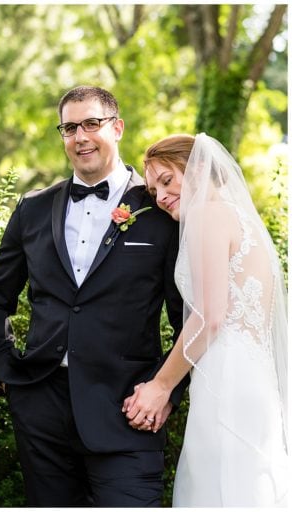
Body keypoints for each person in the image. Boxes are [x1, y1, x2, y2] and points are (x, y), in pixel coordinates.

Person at [0, 85, 187, 506]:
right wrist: (7, 372)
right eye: (69, 128)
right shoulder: (32, 208)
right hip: (41, 408)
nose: (80, 137)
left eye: (92, 124)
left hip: (128, 408)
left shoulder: (160, 207)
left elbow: (191, 317)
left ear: (117, 128)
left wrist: (166, 390)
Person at [122, 133, 289, 506]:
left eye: (167, 181)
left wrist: (160, 386)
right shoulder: (240, 218)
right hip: (254, 382)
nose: (161, 196)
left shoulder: (207, 214)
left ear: (198, 168)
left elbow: (210, 317)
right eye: (153, 191)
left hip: (226, 382)